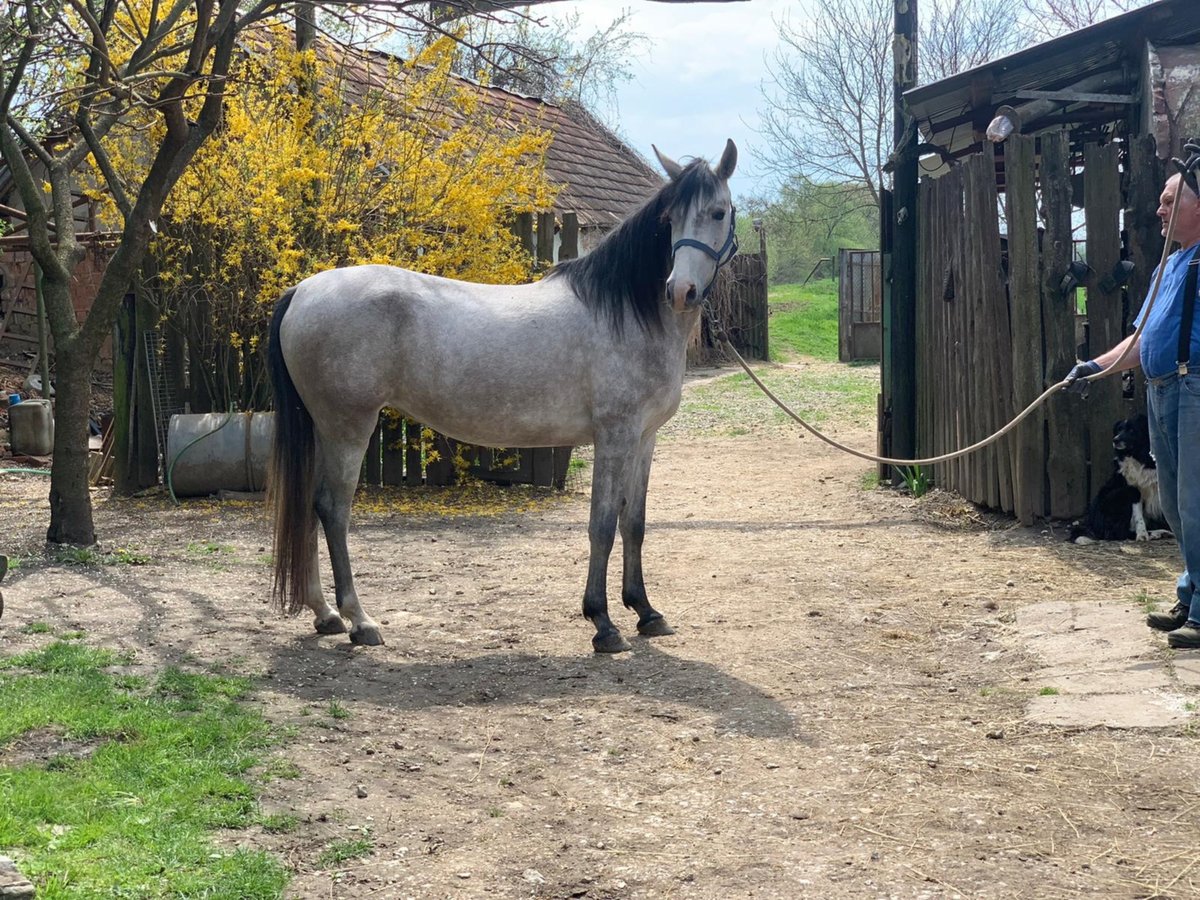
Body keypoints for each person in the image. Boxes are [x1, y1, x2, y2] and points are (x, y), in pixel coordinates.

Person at [1064, 165, 1200, 649]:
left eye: (1169, 201)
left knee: (1195, 501)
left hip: (1194, 388)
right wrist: (1091, 367)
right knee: (1179, 509)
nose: (1158, 210)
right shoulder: (1170, 265)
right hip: (1162, 390)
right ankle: (1191, 597)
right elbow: (1140, 340)